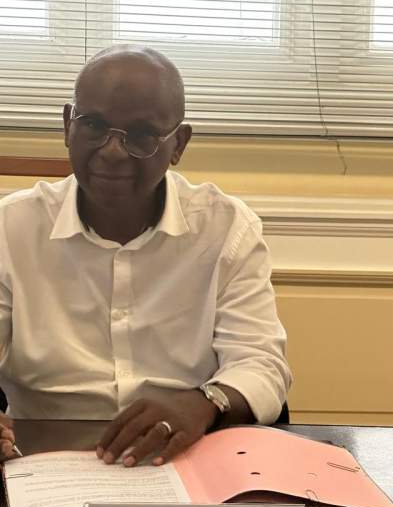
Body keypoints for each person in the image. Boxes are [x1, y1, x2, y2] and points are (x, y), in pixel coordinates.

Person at [0, 45, 291, 466]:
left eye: (140, 135)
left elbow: (262, 364)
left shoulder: (226, 228)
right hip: (41, 459)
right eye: (94, 125)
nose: (112, 151)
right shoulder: (11, 227)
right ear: (67, 126)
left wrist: (205, 402)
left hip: (183, 454)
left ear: (178, 144)